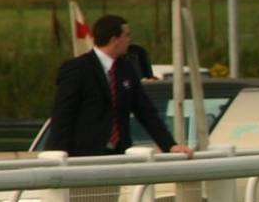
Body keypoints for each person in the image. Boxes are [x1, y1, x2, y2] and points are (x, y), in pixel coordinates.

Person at [46, 14, 193, 158]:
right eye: (127, 35)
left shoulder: (126, 69)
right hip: (84, 155)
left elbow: (146, 111)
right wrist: (57, 155)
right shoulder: (78, 68)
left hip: (119, 154)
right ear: (114, 40)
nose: (129, 40)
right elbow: (63, 114)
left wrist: (170, 145)